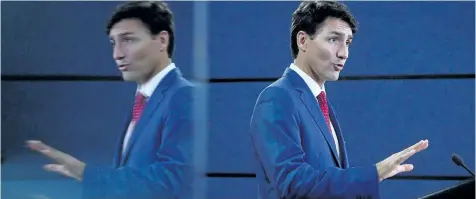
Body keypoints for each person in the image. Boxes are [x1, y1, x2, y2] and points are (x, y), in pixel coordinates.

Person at [249, 1, 429, 198]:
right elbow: (293, 183)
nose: (344, 53)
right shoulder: (277, 98)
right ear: (302, 41)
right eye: (334, 40)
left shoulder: (319, 102)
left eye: (348, 42)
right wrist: (374, 173)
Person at [26, 1, 195, 199]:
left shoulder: (184, 97)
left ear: (162, 40)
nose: (117, 54)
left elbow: (170, 182)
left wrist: (85, 173)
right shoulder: (145, 99)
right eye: (114, 43)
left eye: (129, 40)